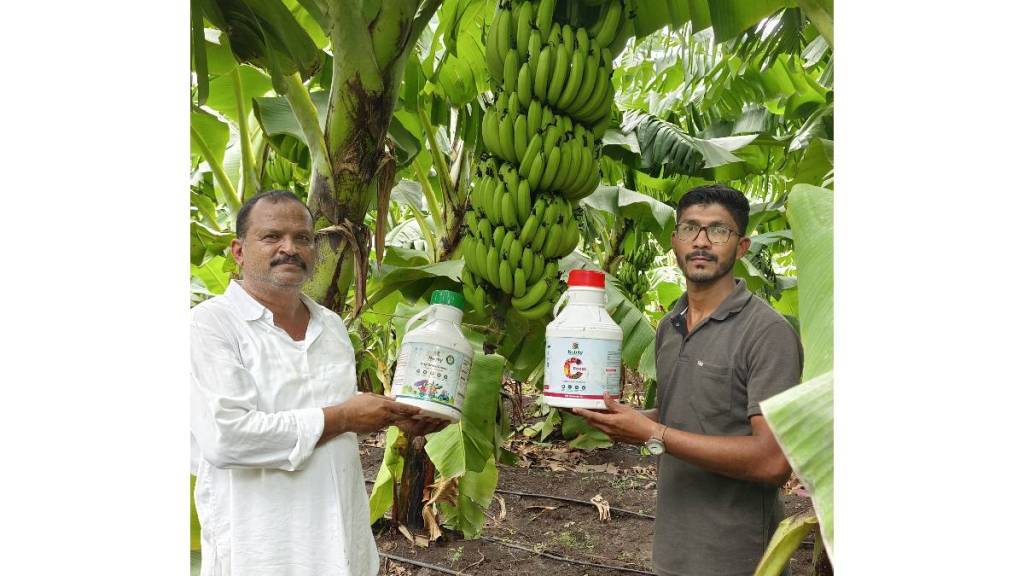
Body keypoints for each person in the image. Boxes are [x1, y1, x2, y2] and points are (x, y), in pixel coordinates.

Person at [190, 190, 444, 576]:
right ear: (239, 251)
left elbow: (325, 406)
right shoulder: (211, 325)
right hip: (262, 549)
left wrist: (393, 415)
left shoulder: (331, 326)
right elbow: (227, 437)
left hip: (338, 538)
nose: (289, 248)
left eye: (303, 238)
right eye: (272, 236)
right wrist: (344, 417)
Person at [574, 184, 804, 576]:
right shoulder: (669, 326)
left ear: (742, 245)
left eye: (718, 231)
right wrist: (621, 419)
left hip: (738, 559)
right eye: (690, 229)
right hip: (673, 550)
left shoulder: (766, 332)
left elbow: (772, 462)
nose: (701, 241)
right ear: (674, 241)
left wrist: (652, 433)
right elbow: (685, 408)